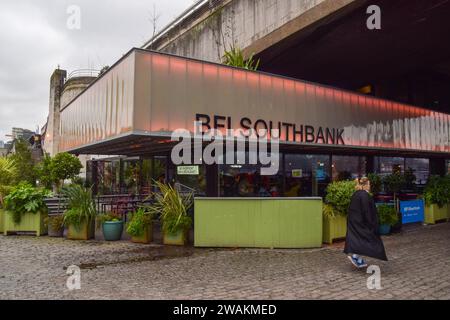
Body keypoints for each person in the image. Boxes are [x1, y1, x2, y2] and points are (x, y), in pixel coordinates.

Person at [344, 177, 388, 269]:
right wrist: (371, 223)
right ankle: (355, 256)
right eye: (369, 184)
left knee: (360, 239)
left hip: (354, 221)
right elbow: (367, 211)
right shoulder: (365, 196)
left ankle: (357, 258)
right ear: (366, 185)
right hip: (362, 222)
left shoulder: (356, 194)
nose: (370, 186)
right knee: (367, 239)